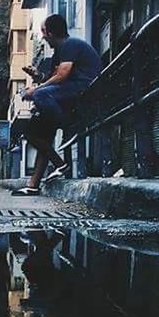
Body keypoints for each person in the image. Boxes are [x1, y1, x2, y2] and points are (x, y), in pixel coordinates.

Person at [12, 14, 102, 196]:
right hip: (69, 95)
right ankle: (35, 183)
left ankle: (68, 127)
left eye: (44, 32)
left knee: (41, 99)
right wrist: (38, 77)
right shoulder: (59, 53)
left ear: (51, 32)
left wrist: (35, 92)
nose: (43, 37)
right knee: (34, 131)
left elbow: (62, 76)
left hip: (84, 93)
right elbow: (54, 80)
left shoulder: (70, 45)